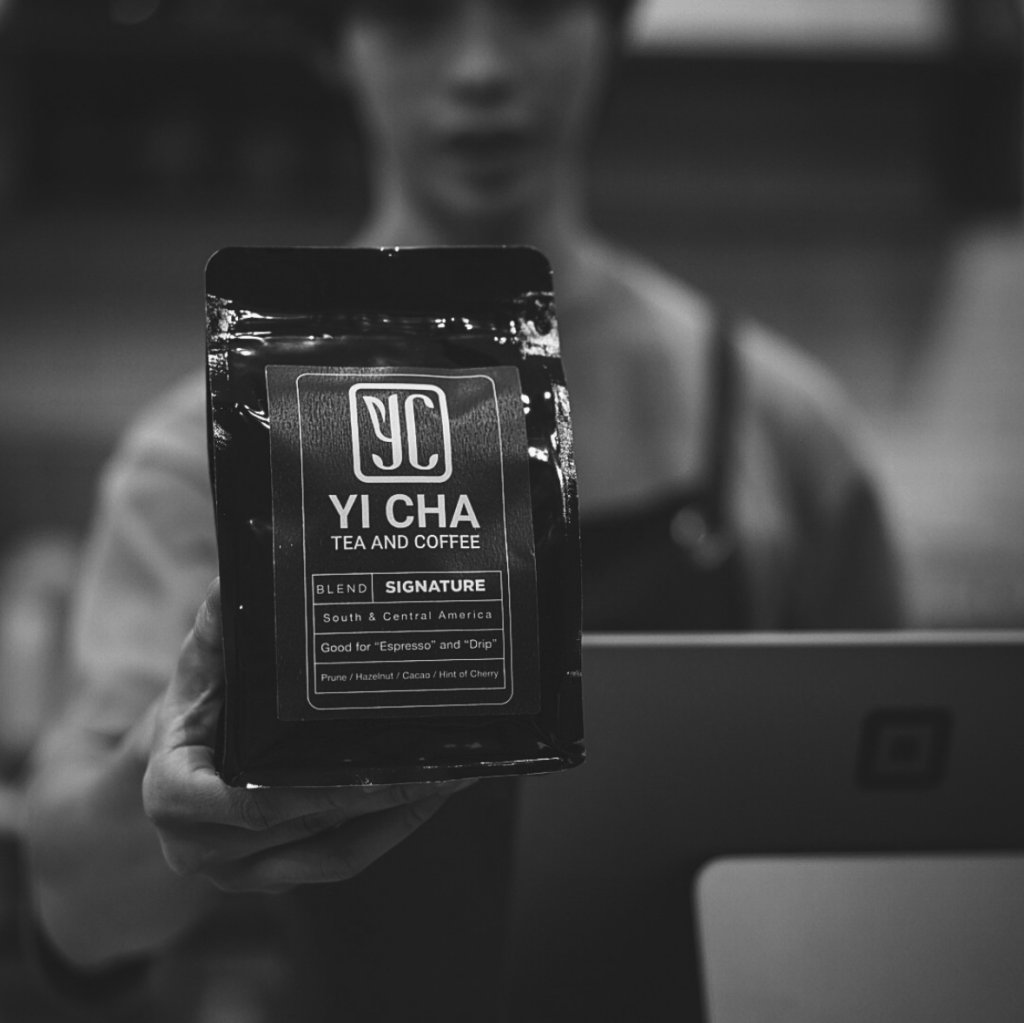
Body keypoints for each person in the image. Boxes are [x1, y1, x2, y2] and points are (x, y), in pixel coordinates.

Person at [23, 1, 902, 1020]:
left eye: (534, 8)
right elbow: (75, 907)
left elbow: (897, 813)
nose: (481, 67)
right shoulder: (200, 455)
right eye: (413, 16)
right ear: (335, 43)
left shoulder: (779, 427)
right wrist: (168, 779)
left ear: (611, 25)